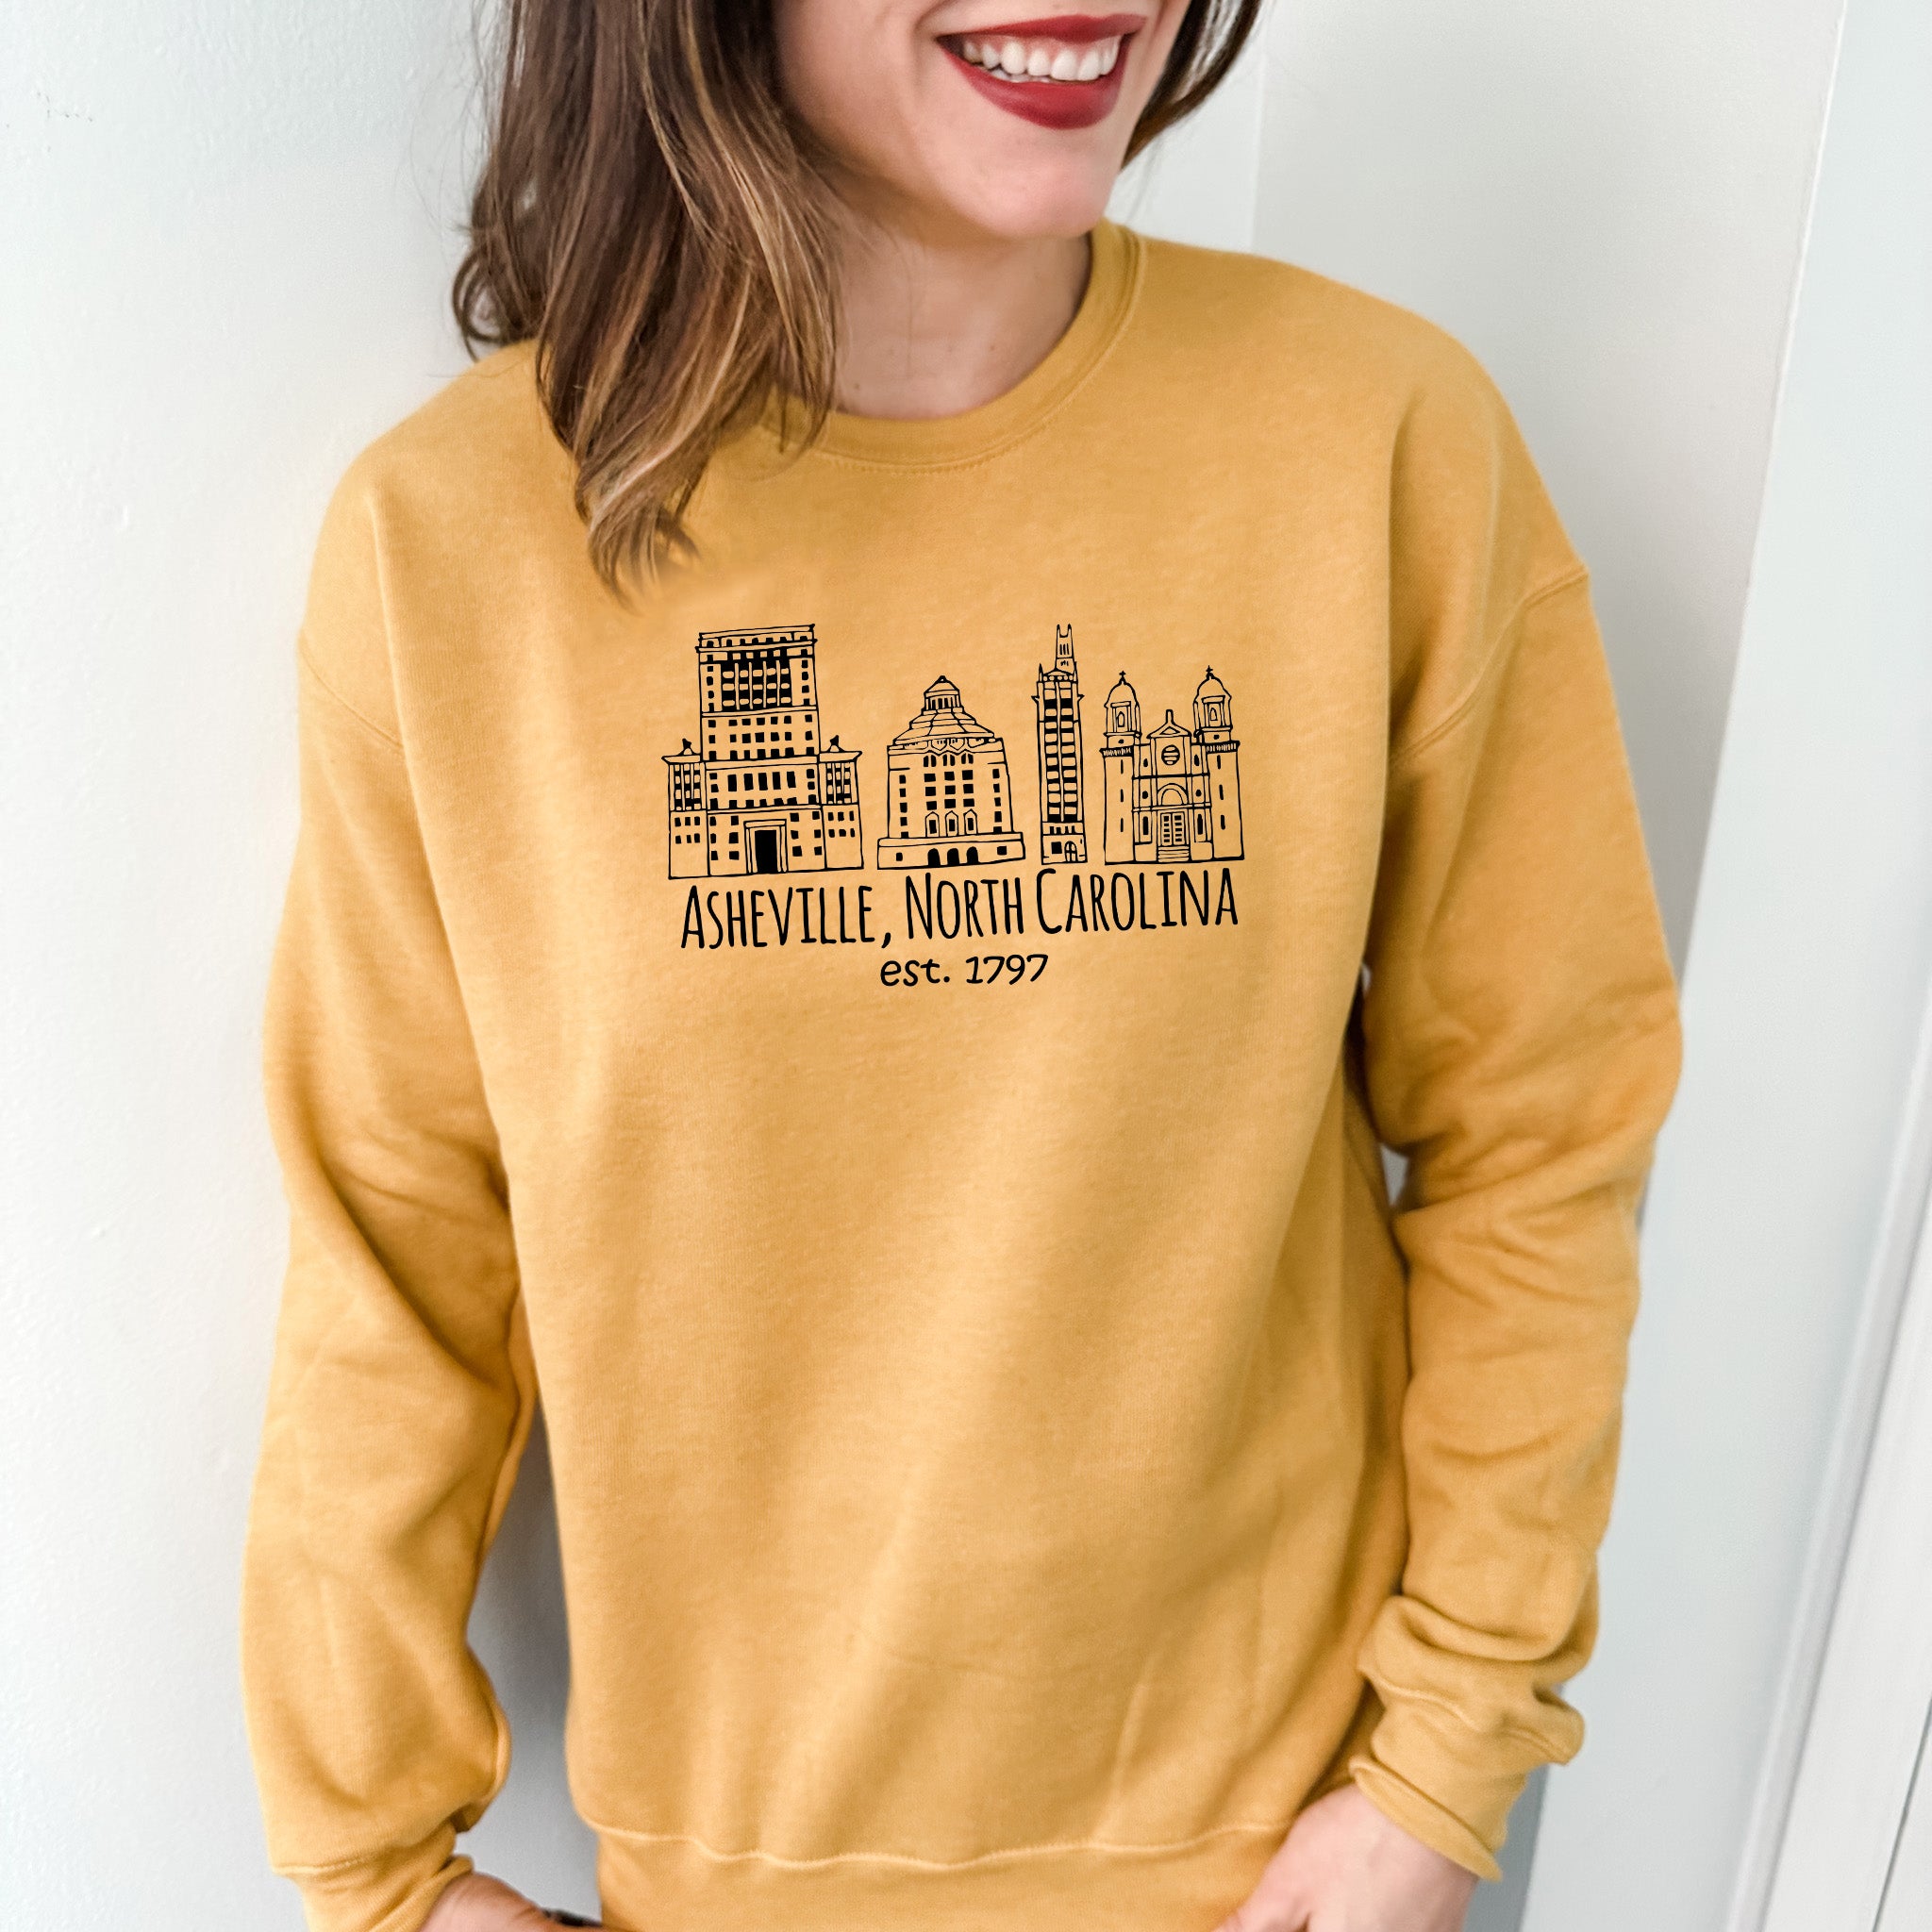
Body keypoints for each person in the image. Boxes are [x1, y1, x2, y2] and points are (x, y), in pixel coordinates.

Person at [240, 3, 1683, 1929]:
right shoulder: (451, 547)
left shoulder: (1377, 441)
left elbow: (1543, 1129)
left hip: (1287, 1856)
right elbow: (396, 1242)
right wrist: (379, 1869)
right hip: (737, 1873)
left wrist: (1448, 1757)